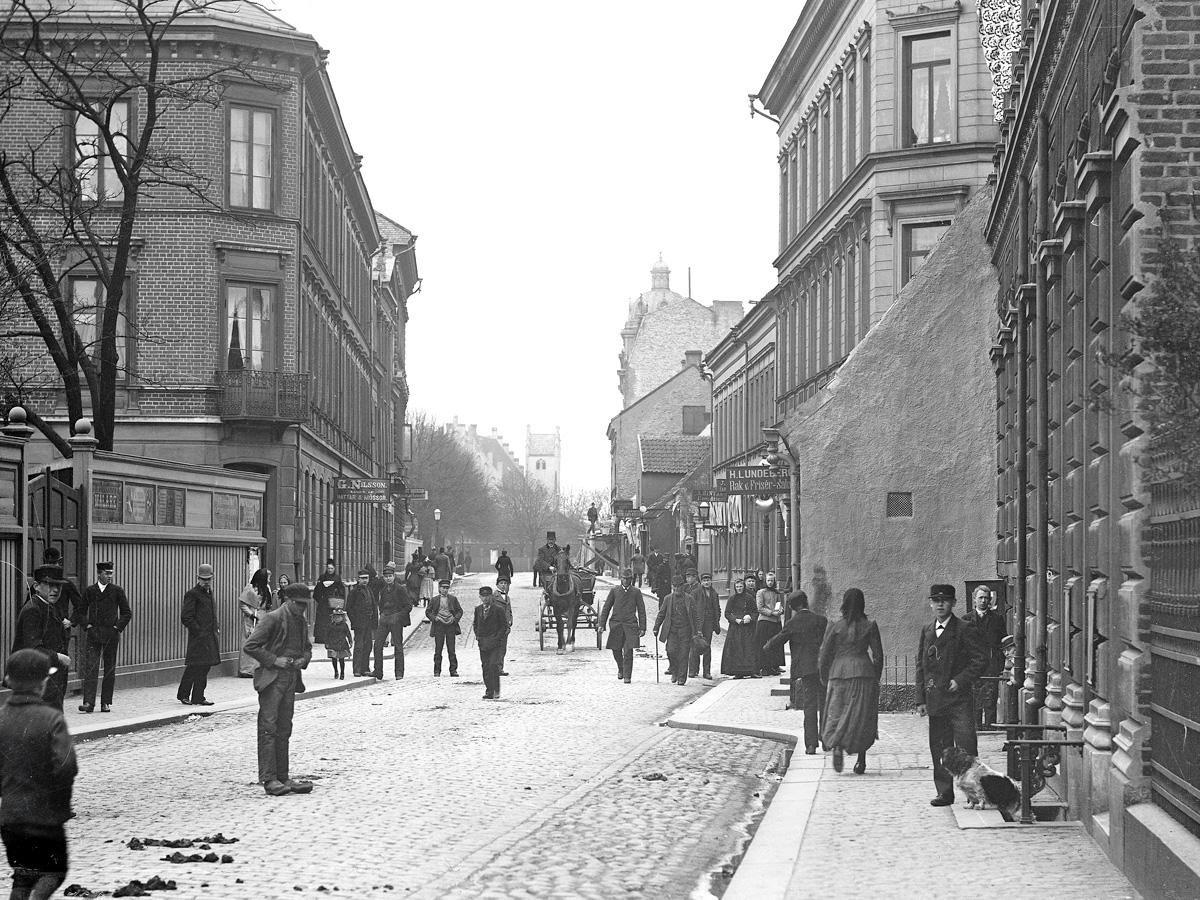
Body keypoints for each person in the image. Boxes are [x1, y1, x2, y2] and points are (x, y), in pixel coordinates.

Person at [0, 649, 78, 900]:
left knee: (23, 874)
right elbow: (66, 766)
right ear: (43, 683)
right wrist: (59, 804)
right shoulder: (51, 718)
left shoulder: (0, 718)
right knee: (54, 871)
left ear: (9, 681)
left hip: (10, 818)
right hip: (44, 817)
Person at [243, 581, 314, 797]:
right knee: (268, 728)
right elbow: (250, 646)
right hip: (272, 679)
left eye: (304, 605)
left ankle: (283, 777)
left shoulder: (300, 620)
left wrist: (303, 659)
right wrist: (274, 660)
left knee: (284, 728)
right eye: (299, 604)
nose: (303, 609)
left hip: (291, 678)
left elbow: (308, 649)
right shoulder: (271, 619)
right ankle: (269, 778)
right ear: (288, 601)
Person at [916, 584, 985, 807]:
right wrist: (920, 700)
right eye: (935, 600)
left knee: (966, 746)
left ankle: (973, 792)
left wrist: (960, 680)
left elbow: (981, 660)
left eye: (945, 600)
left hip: (959, 700)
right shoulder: (927, 630)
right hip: (936, 699)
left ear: (954, 603)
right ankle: (944, 792)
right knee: (939, 747)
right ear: (930, 603)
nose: (940, 604)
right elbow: (920, 666)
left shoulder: (964, 628)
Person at [818, 587, 884, 773]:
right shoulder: (870, 625)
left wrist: (824, 676)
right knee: (861, 716)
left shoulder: (835, 625)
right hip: (864, 673)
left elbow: (825, 653)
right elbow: (878, 655)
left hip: (839, 674)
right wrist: (875, 678)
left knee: (837, 713)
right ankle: (861, 760)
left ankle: (837, 746)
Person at [764, 591, 827, 753]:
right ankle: (827, 739)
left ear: (792, 607)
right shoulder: (820, 620)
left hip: (805, 669)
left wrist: (765, 647)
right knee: (824, 703)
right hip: (822, 668)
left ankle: (811, 745)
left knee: (809, 705)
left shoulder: (792, 623)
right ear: (806, 602)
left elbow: (779, 640)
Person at [12, 565, 72, 712]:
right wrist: (58, 657)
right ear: (36, 586)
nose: (56, 590)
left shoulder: (50, 607)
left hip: (50, 680)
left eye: (58, 585)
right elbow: (33, 648)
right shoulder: (33, 610)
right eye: (50, 585)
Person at [76, 561, 132, 714]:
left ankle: (106, 702)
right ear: (99, 574)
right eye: (107, 573)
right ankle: (88, 702)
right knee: (91, 668)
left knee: (109, 670)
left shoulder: (117, 591)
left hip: (111, 636)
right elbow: (80, 611)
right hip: (94, 635)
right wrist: (86, 625)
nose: (110, 576)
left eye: (111, 573)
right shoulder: (90, 591)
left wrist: (116, 628)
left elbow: (127, 613)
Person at [178, 563, 220, 706]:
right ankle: (184, 695)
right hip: (199, 638)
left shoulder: (209, 592)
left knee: (204, 667)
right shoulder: (192, 594)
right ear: (198, 578)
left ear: (212, 577)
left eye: (208, 579)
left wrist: (216, 628)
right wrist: (199, 632)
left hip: (209, 637)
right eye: (203, 579)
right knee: (194, 667)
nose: (206, 582)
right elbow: (186, 617)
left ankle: (198, 696)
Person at [964, 586, 1006, 729]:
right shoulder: (966, 619)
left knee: (990, 695)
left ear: (990, 600)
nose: (983, 600)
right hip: (972, 664)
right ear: (974, 599)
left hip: (991, 663)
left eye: (986, 598)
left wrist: (999, 664)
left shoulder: (997, 619)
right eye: (980, 597)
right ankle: (975, 725)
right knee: (974, 695)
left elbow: (1002, 643)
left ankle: (990, 725)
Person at [599, 569, 646, 683]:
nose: (626, 581)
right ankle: (621, 667)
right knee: (616, 650)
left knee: (628, 651)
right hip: (616, 624)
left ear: (631, 579)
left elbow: (641, 610)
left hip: (630, 625)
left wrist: (643, 627)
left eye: (628, 579)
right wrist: (601, 624)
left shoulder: (636, 592)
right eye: (624, 578)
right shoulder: (615, 591)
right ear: (621, 579)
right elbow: (606, 608)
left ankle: (627, 675)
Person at [653, 575, 700, 686]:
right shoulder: (668, 599)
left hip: (685, 630)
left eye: (679, 586)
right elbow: (661, 614)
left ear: (683, 586)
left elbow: (695, 615)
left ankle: (681, 678)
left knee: (683, 654)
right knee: (671, 651)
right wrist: (656, 627)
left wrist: (698, 630)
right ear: (672, 587)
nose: (677, 589)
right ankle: (674, 671)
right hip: (672, 630)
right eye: (675, 587)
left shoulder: (689, 599)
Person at [372, 564, 412, 680]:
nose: (388, 578)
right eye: (386, 577)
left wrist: (398, 616)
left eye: (390, 576)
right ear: (383, 578)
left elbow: (408, 606)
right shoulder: (383, 590)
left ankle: (399, 673)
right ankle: (378, 671)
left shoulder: (400, 589)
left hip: (396, 621)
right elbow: (381, 604)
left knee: (398, 647)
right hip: (385, 621)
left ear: (394, 576)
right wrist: (382, 614)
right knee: (378, 645)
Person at [721, 576, 760, 678]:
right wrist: (734, 619)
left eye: (741, 586)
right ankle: (738, 672)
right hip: (736, 628)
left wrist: (750, 618)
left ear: (744, 587)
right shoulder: (732, 599)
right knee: (737, 649)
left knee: (749, 649)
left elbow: (755, 611)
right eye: (737, 586)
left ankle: (751, 671)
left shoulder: (749, 598)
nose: (739, 588)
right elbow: (727, 613)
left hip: (748, 628)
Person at [238, 568, 274, 678]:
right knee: (249, 641)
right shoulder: (250, 588)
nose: (269, 580)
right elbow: (242, 604)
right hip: (252, 620)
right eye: (267, 578)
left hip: (264, 617)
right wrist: (251, 614)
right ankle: (246, 669)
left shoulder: (267, 588)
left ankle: (258, 668)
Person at [474, 586, 509, 700]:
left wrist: (497, 638)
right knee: (485, 667)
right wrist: (478, 637)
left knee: (493, 665)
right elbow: (475, 624)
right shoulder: (478, 609)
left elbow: (504, 625)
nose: (485, 598)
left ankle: (496, 690)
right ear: (480, 597)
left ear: (491, 597)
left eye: (487, 596)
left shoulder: (498, 609)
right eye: (483, 596)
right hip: (483, 643)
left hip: (495, 643)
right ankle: (489, 691)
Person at [688, 573, 722, 680]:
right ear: (701, 582)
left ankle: (706, 672)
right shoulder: (695, 593)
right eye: (704, 580)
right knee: (695, 646)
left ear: (711, 581)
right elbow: (691, 608)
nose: (706, 582)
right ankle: (693, 670)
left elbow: (717, 609)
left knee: (707, 647)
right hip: (698, 623)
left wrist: (716, 620)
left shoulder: (714, 594)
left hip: (709, 623)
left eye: (708, 580)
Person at [345, 569, 378, 678]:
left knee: (368, 646)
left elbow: (374, 606)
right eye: (362, 578)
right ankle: (357, 669)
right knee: (359, 646)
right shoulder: (354, 592)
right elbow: (349, 608)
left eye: (366, 578)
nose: (364, 580)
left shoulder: (369, 590)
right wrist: (354, 622)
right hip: (359, 623)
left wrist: (374, 622)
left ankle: (365, 668)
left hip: (368, 623)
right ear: (358, 579)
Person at [426, 579, 462, 677]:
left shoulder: (453, 599)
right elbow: (428, 612)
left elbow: (459, 611)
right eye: (443, 588)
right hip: (439, 626)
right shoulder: (434, 600)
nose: (445, 590)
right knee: (438, 649)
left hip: (450, 626)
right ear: (439, 588)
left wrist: (454, 619)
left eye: (447, 588)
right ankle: (437, 670)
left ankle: (453, 670)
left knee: (451, 649)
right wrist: (435, 618)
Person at [755, 572, 786, 676]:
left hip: (775, 621)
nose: (770, 582)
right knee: (764, 644)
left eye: (772, 580)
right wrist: (772, 613)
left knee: (776, 643)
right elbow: (760, 608)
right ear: (765, 581)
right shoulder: (761, 592)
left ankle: (775, 665)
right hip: (764, 621)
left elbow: (779, 604)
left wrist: (781, 610)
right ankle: (764, 667)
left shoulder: (776, 593)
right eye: (768, 580)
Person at [312, 560, 345, 645]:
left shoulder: (337, 578)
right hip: (323, 603)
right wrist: (321, 598)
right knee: (322, 621)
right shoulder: (322, 577)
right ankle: (321, 638)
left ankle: (331, 638)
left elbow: (341, 590)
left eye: (332, 568)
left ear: (334, 569)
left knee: (332, 620)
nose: (330, 570)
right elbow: (317, 591)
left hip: (333, 604)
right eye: (328, 568)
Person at [494, 575, 514, 677]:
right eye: (501, 583)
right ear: (497, 585)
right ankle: (494, 668)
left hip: (505, 627)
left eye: (505, 584)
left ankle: (500, 668)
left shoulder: (507, 597)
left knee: (503, 648)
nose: (503, 586)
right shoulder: (493, 597)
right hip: (496, 627)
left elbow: (509, 611)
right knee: (495, 648)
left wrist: (510, 620)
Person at [325, 608, 352, 679]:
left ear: (342, 618)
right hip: (333, 644)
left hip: (342, 644)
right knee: (334, 659)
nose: (337, 619)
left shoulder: (344, 625)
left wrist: (350, 641)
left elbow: (348, 633)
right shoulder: (330, 625)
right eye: (335, 617)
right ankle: (336, 671)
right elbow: (326, 635)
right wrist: (326, 643)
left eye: (339, 617)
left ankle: (342, 673)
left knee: (341, 659)